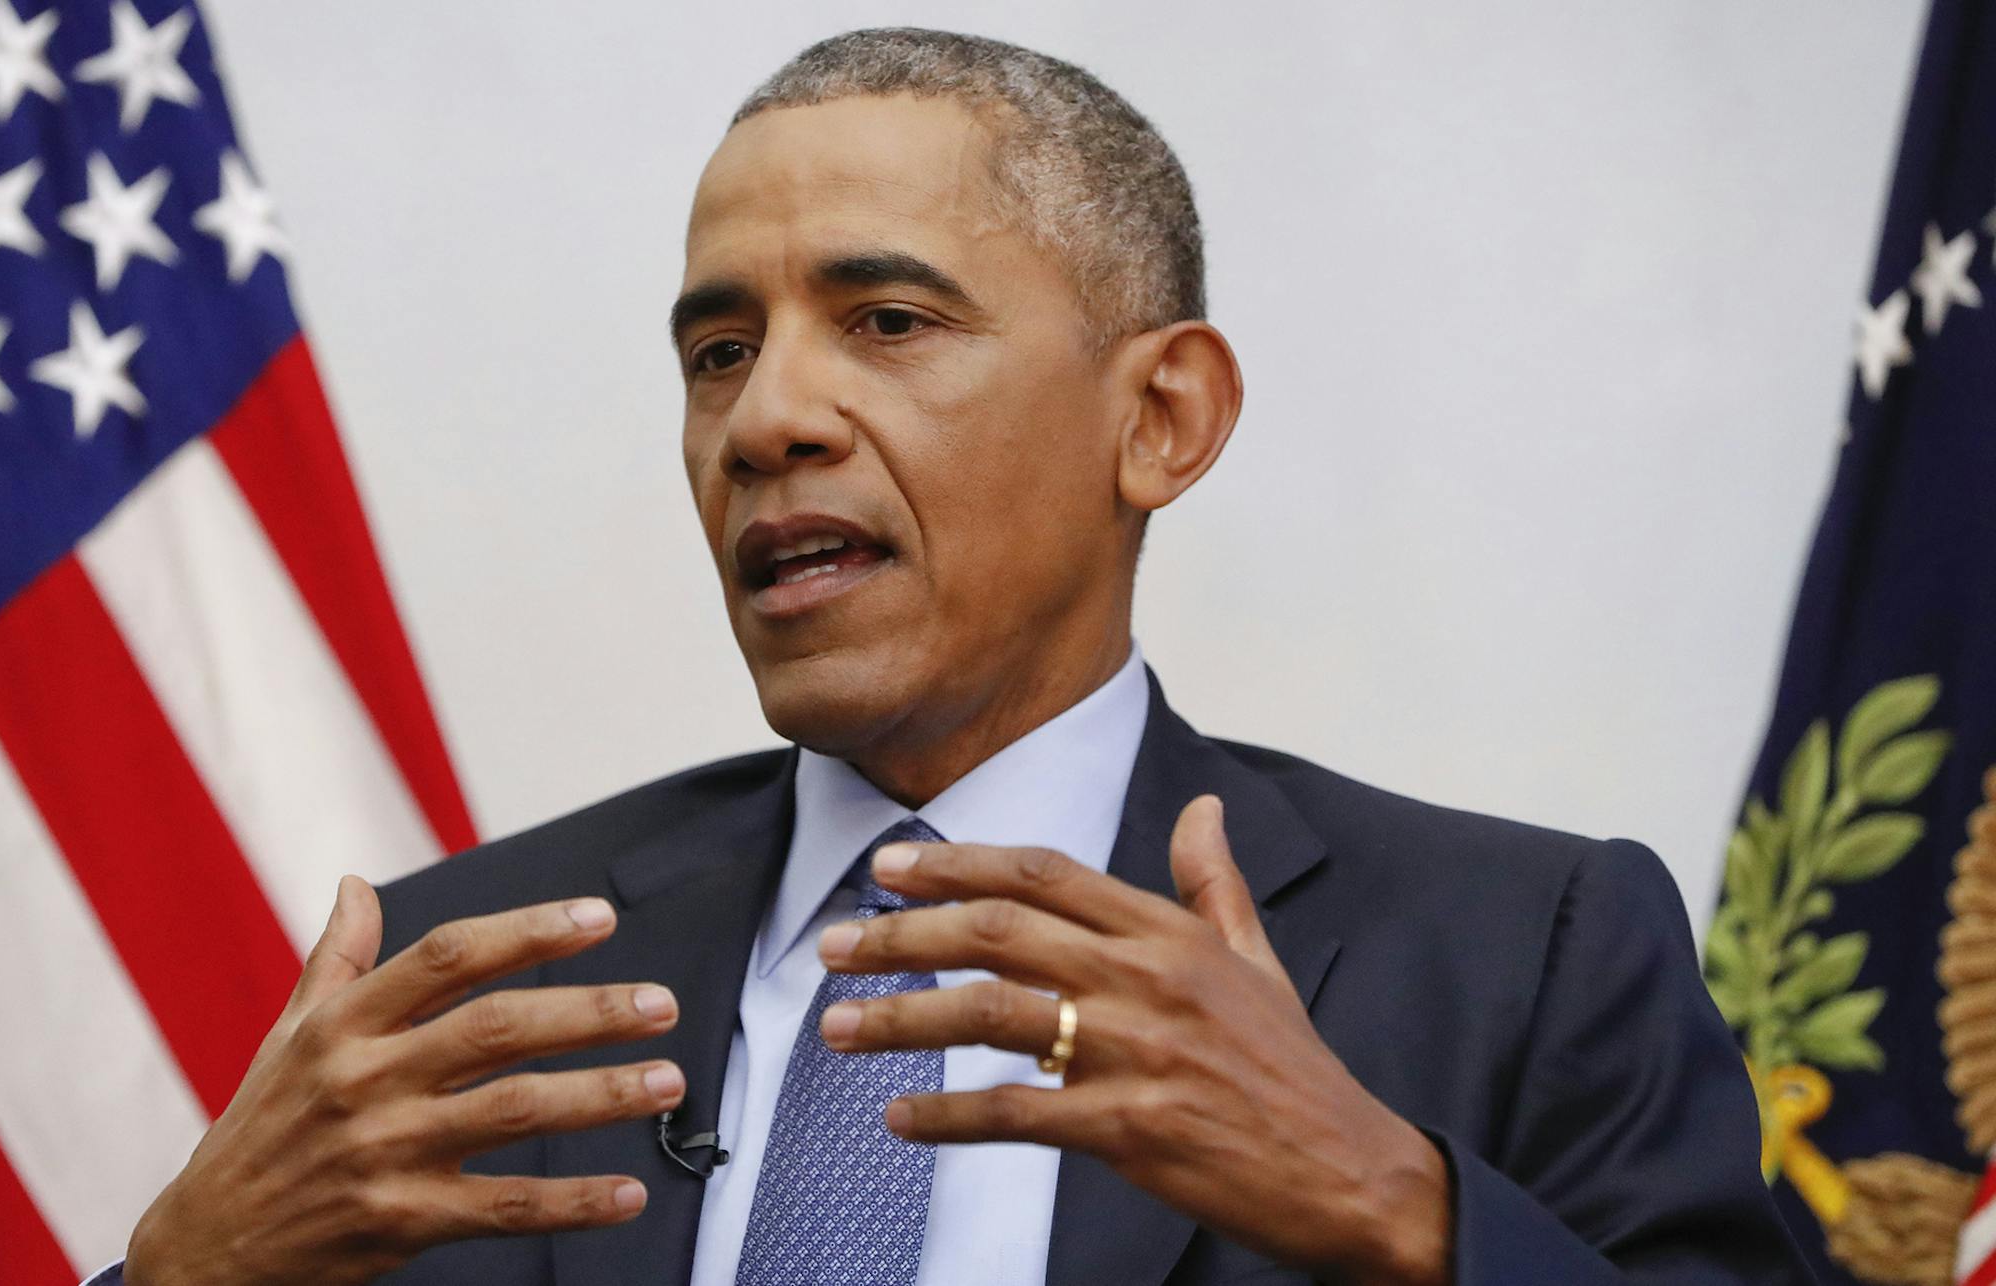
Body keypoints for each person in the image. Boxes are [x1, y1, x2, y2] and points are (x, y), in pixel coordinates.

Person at [107, 28, 1808, 1286]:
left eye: (888, 323)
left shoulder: (1518, 959)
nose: (766, 418)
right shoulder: (464, 999)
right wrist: (183, 1268)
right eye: (717, 349)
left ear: (1160, 417)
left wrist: (1399, 1206)